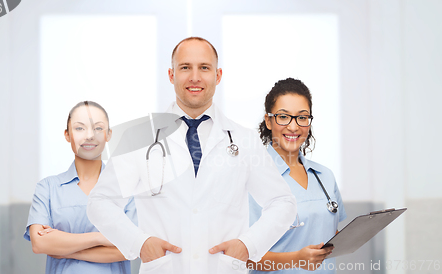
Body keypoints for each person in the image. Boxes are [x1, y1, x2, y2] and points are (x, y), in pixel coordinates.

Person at [87, 37, 297, 274]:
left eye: (204, 68)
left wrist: (249, 245)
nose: (195, 77)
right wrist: (139, 243)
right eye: (185, 67)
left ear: (217, 76)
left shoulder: (244, 140)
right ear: (171, 75)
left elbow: (283, 202)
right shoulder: (140, 137)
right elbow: (101, 202)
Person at [24, 101, 137, 274]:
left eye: (98, 128)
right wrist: (103, 237)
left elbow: (130, 249)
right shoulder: (47, 188)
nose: (90, 136)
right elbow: (39, 244)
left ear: (108, 134)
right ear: (67, 135)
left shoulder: (126, 188)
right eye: (79, 128)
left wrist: (64, 247)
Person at [248, 78, 347, 273]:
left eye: (302, 117)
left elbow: (330, 234)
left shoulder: (325, 176)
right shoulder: (253, 177)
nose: (294, 127)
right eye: (283, 117)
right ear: (268, 121)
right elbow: (244, 257)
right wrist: (296, 259)